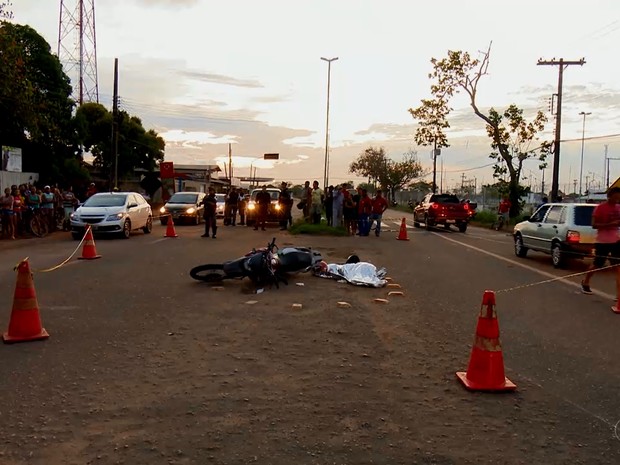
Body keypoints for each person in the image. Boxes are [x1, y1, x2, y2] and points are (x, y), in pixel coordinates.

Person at [581, 187, 620, 295]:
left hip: (616, 240)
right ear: (609, 196)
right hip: (602, 241)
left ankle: (618, 295)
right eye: (615, 198)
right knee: (597, 264)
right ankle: (585, 282)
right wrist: (610, 224)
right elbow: (594, 225)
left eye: (618, 198)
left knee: (618, 267)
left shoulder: (618, 208)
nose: (617, 200)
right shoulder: (600, 208)